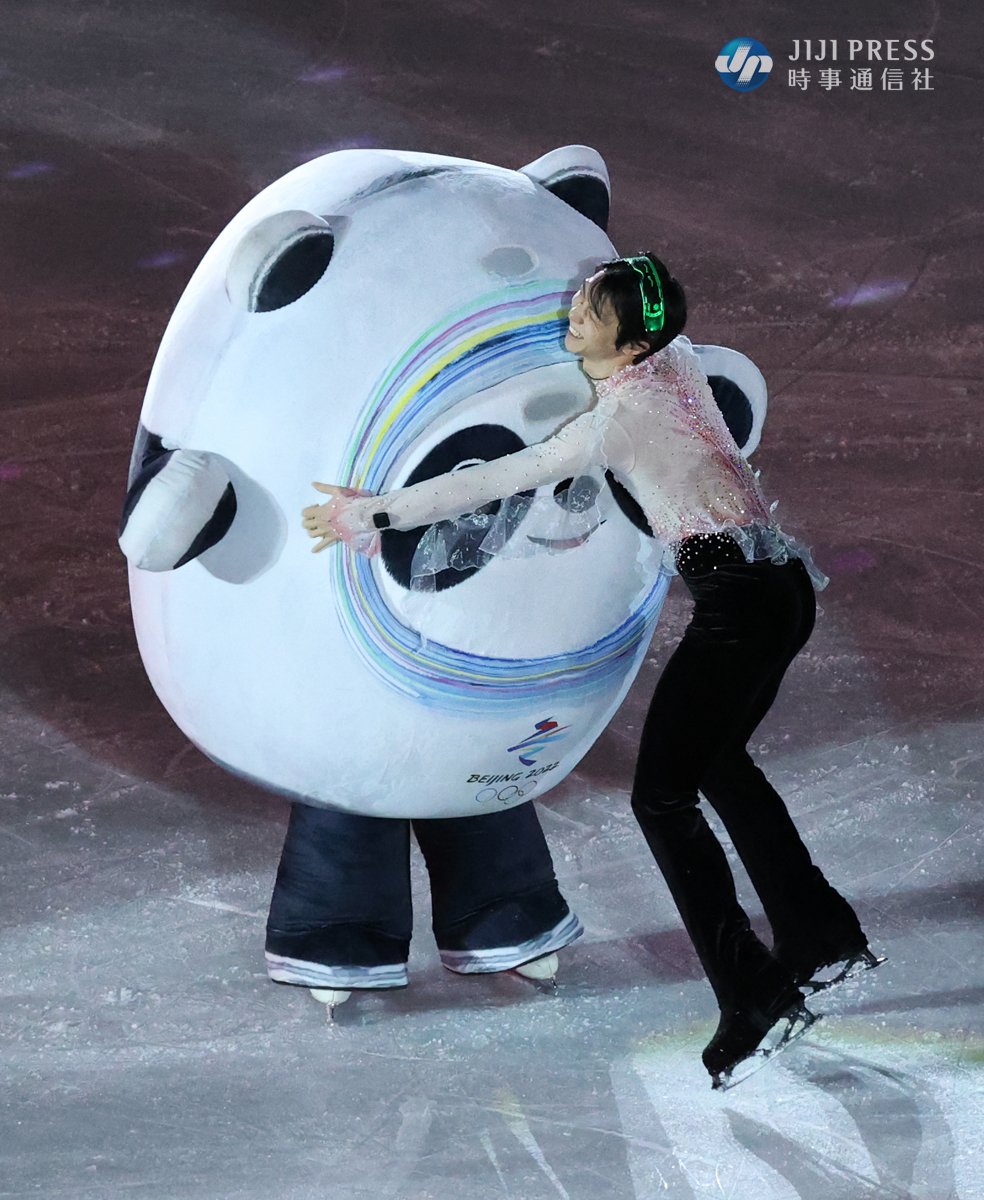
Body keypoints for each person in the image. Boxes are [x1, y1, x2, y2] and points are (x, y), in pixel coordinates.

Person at [302, 254, 880, 1087]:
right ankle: (819, 933)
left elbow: (506, 476)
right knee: (719, 764)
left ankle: (753, 993)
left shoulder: (617, 419)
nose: (574, 308)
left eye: (592, 306)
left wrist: (376, 512)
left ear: (631, 336)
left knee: (662, 797)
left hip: (741, 607)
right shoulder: (672, 363)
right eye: (580, 296)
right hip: (781, 591)